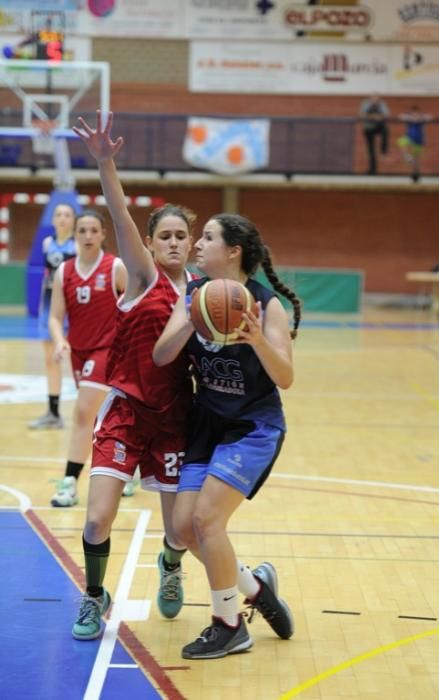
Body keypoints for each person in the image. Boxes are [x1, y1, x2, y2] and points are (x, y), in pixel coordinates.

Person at [69, 111, 196, 640]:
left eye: (180, 236)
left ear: (191, 244)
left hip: (173, 420)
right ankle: (94, 595)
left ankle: (170, 564)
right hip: (124, 412)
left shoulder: (206, 294)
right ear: (149, 242)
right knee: (97, 519)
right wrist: (105, 162)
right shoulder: (143, 276)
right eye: (163, 235)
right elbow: (119, 212)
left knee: (181, 530)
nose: (171, 242)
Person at [153, 212, 302, 659]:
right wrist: (188, 316)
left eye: (208, 238)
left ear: (233, 251)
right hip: (208, 424)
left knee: (206, 521)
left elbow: (287, 377)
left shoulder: (264, 305)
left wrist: (257, 339)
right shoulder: (193, 294)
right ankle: (255, 588)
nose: (197, 244)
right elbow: (162, 356)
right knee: (182, 528)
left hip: (253, 427)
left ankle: (228, 623)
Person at [48, 209, 127, 507]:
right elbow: (55, 317)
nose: (88, 236)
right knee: (99, 416)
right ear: (75, 235)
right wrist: (60, 341)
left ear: (104, 234)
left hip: (107, 350)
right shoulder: (64, 272)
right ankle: (125, 469)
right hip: (78, 351)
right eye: (83, 230)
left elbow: (139, 298)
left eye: (94, 230)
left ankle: (70, 482)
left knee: (82, 412)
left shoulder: (115, 267)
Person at [28, 202, 77, 430]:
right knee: (50, 361)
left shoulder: (77, 246)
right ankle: (54, 411)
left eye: (67, 214)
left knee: (77, 361)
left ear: (73, 220)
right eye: (59, 214)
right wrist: (41, 311)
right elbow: (47, 276)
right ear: (54, 219)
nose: (63, 218)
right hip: (50, 309)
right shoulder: (48, 243)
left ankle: (88, 411)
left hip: (71, 310)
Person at [397, 104, 433, 183]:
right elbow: (400, 116)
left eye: (417, 113)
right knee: (401, 141)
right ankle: (407, 156)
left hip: (419, 141)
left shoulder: (422, 119)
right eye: (413, 113)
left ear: (419, 113)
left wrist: (420, 118)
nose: (415, 115)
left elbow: (430, 117)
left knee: (416, 159)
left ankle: (415, 174)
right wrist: (410, 118)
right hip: (409, 138)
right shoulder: (409, 119)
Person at [360, 93, 390, 175]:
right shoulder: (365, 103)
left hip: (378, 126)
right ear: (370, 98)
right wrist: (373, 116)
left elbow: (386, 114)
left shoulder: (382, 104)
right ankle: (372, 170)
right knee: (371, 150)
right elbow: (362, 114)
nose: (375, 100)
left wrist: (380, 116)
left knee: (385, 130)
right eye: (373, 98)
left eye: (377, 98)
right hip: (368, 128)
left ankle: (383, 151)